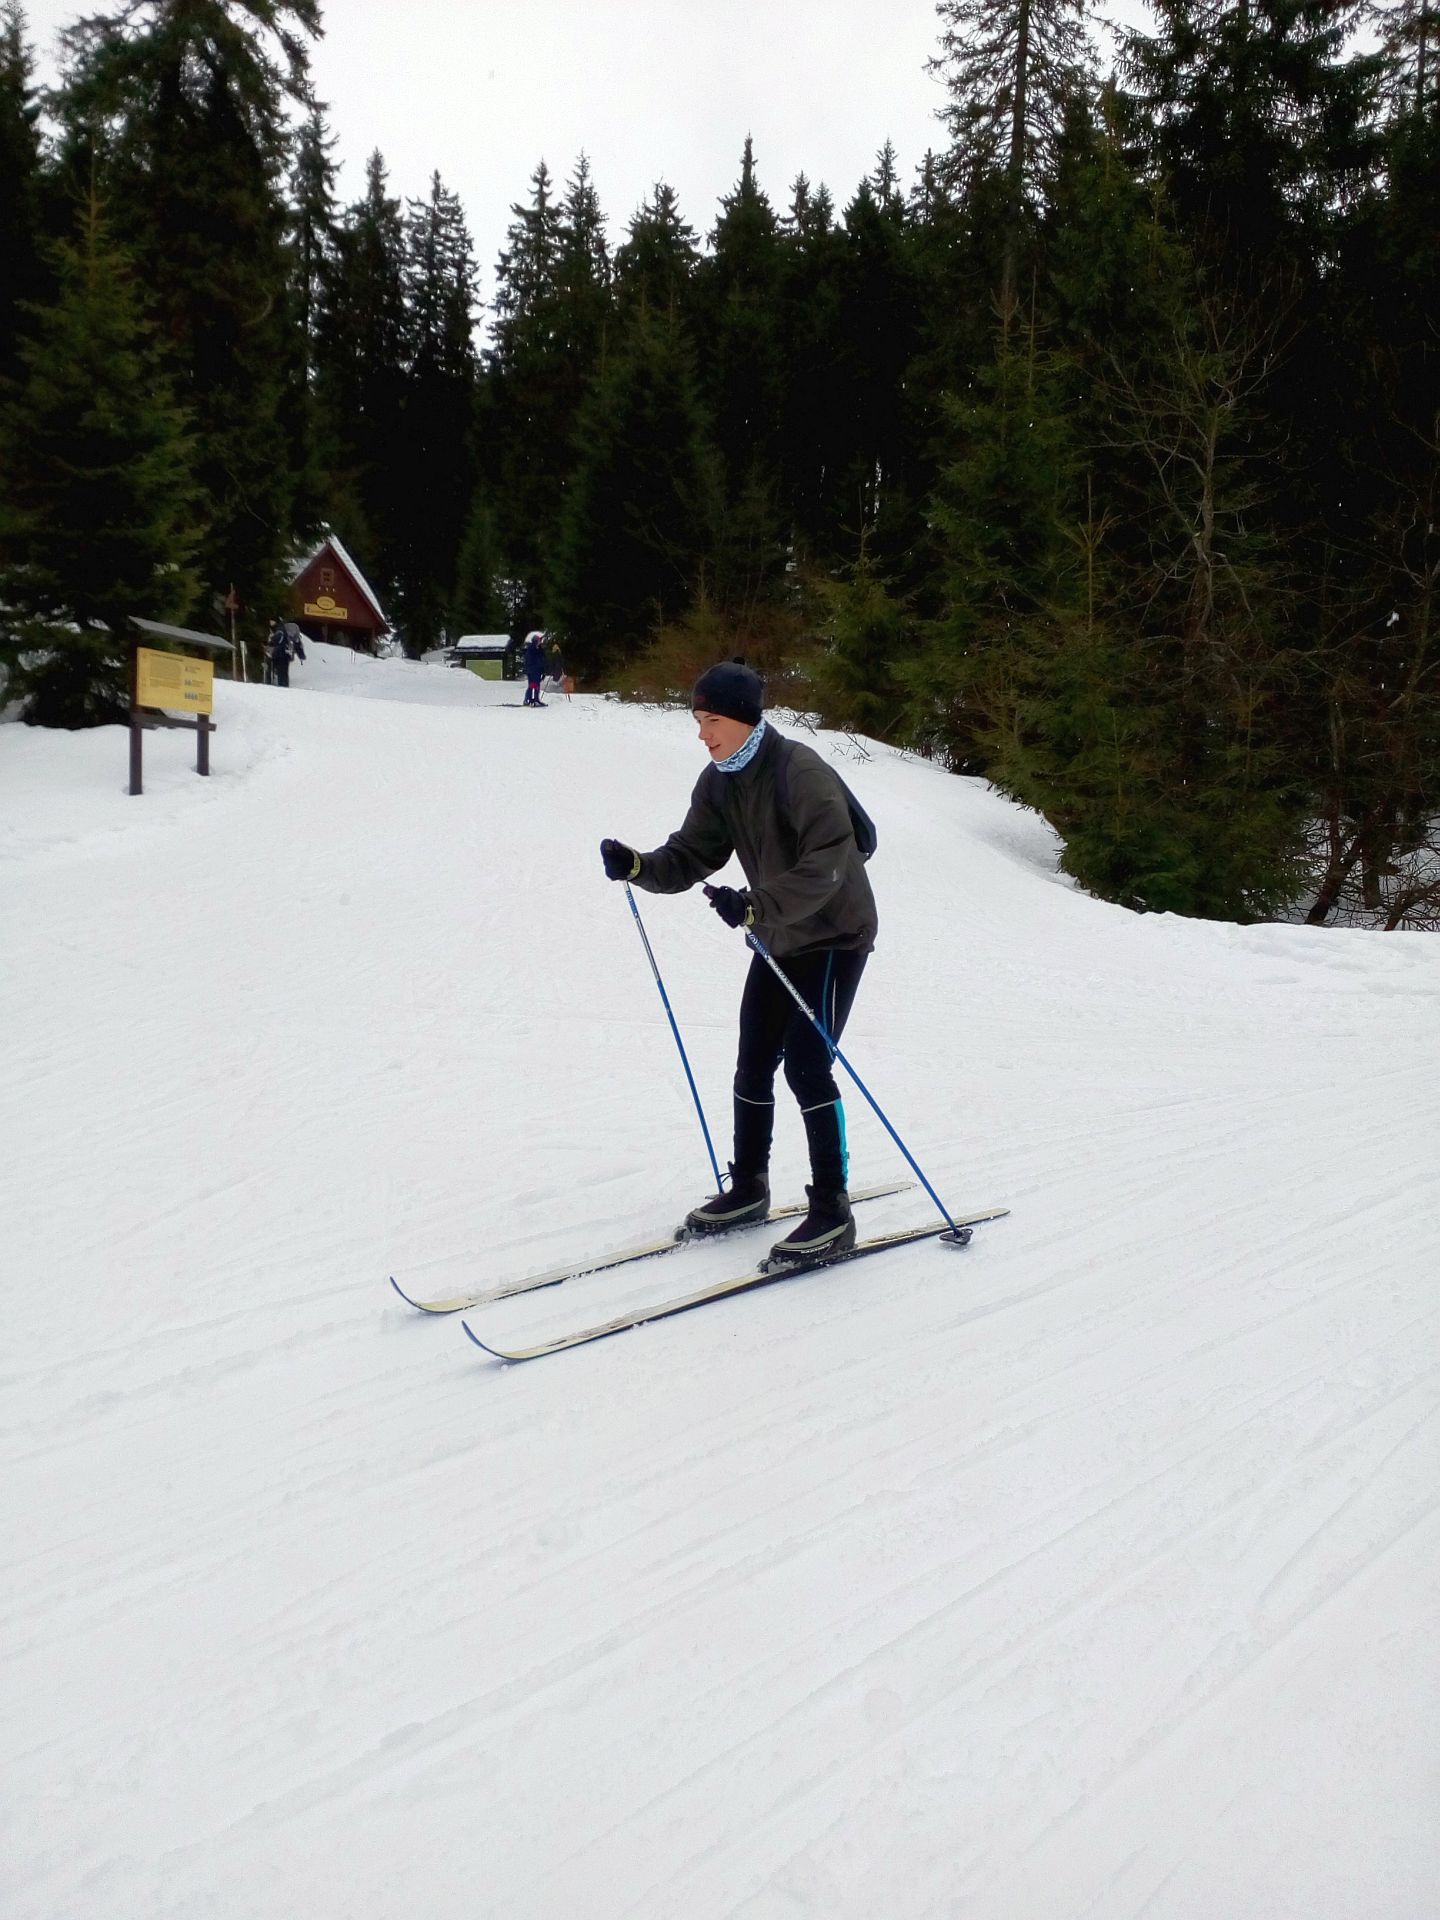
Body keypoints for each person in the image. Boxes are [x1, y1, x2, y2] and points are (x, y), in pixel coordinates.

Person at [600, 659, 877, 1265]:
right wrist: (640, 867)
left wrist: (756, 905)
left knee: (806, 1065)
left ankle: (833, 1211)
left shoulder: (800, 771)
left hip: (834, 933)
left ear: (746, 719)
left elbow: (827, 864)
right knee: (753, 1061)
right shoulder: (721, 780)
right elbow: (691, 853)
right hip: (777, 934)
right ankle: (750, 1187)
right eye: (698, 721)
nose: (703, 734)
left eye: (712, 721)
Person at [522, 630, 547, 706]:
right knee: (533, 685)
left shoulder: (538, 649)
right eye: (539, 641)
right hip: (533, 671)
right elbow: (533, 661)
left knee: (534, 685)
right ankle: (530, 699)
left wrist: (543, 671)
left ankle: (532, 699)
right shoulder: (532, 649)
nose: (540, 642)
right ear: (536, 641)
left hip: (536, 671)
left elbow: (542, 660)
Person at [268, 618, 292, 688]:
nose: (270, 623)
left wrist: (271, 639)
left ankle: (283, 687)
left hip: (281, 654)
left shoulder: (280, 629)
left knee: (282, 672)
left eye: (272, 621)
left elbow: (278, 640)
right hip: (283, 654)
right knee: (282, 673)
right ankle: (284, 686)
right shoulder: (280, 628)